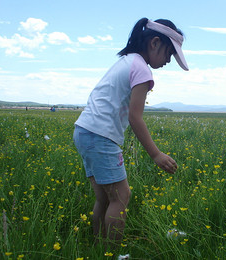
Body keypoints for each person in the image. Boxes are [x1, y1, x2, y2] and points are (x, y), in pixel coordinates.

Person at [73, 17, 188, 246]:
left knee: (104, 198)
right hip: (101, 136)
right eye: (169, 53)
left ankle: (98, 246)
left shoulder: (126, 61)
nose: (169, 60)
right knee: (121, 197)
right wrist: (156, 154)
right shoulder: (141, 70)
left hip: (84, 131)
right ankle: (112, 251)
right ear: (155, 43)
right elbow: (135, 117)